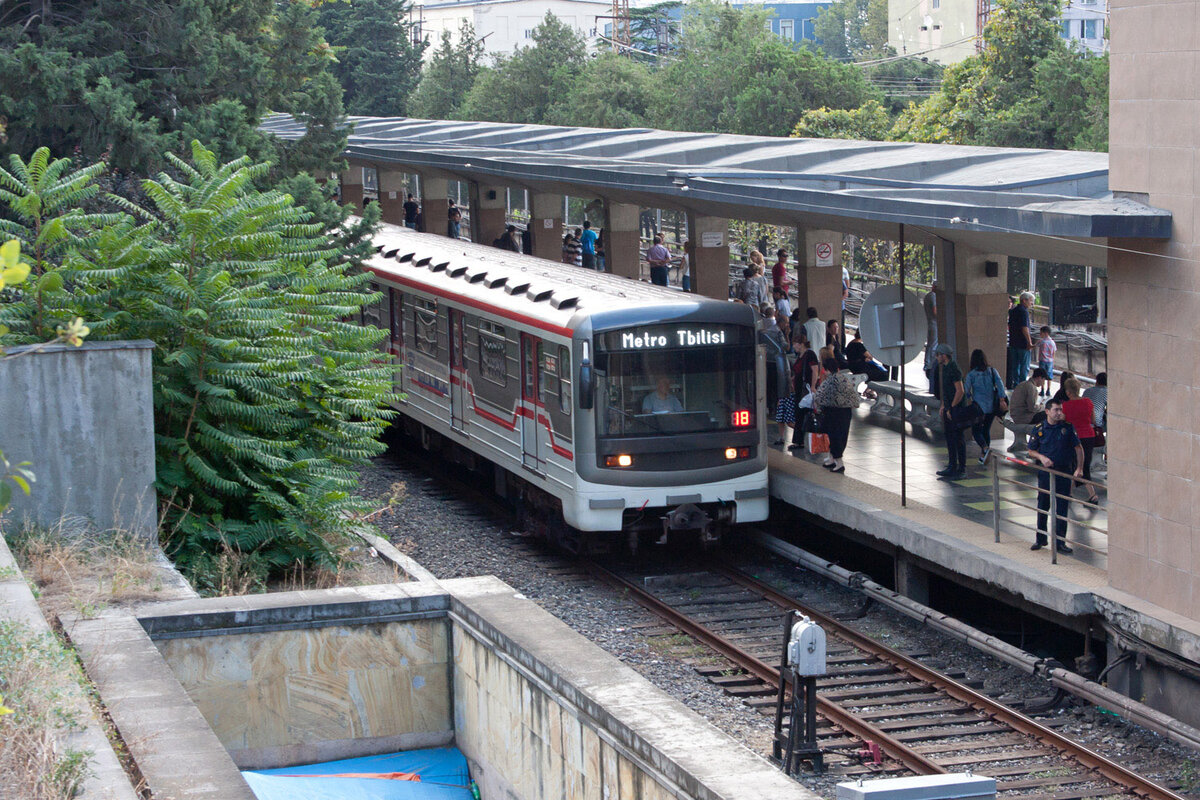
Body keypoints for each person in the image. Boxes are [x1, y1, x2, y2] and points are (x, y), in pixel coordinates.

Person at [1027, 398, 1083, 554]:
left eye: (1060, 410)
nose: (1059, 413)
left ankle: (1060, 542)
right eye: (1056, 410)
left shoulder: (1067, 428)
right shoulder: (1039, 429)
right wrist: (1042, 458)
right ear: (1047, 412)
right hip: (1046, 473)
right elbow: (1031, 450)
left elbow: (1078, 448)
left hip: (1063, 472)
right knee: (1043, 505)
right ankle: (1040, 538)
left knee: (1062, 508)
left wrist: (1079, 468)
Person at [814, 357, 859, 473]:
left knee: (834, 437)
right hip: (846, 412)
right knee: (842, 435)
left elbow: (819, 396)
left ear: (826, 369)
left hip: (833, 412)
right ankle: (832, 459)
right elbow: (854, 397)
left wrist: (817, 409)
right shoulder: (844, 378)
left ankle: (839, 463)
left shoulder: (830, 381)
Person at [964, 349, 1008, 464]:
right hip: (992, 407)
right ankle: (984, 455)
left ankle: (985, 449)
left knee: (976, 430)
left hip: (978, 407)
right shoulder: (992, 371)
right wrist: (1002, 399)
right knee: (986, 429)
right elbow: (1000, 386)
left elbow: (966, 390)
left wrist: (970, 397)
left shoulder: (971, 374)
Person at [1062, 377, 1100, 505]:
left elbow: (1064, 423)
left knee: (1077, 465)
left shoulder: (1066, 406)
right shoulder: (1088, 402)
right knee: (1082, 465)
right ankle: (1069, 492)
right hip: (1089, 436)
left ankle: (1092, 495)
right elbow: (1093, 421)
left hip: (1074, 437)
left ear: (1068, 392)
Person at [934, 344, 968, 479]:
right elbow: (947, 390)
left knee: (958, 438)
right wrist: (944, 405)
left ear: (943, 355)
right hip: (948, 408)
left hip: (956, 409)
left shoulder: (954, 369)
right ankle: (952, 465)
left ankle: (961, 469)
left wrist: (952, 407)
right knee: (949, 437)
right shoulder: (945, 368)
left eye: (937, 355)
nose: (936, 358)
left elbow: (960, 391)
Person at [1007, 291, 1035, 388]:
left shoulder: (1013, 311)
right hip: (1023, 344)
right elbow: (1024, 328)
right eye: (1031, 301)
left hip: (1013, 342)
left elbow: (1009, 326)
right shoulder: (1024, 312)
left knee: (1015, 366)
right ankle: (1022, 386)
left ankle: (1016, 385)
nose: (1032, 303)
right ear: (1024, 300)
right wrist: (1029, 342)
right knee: (1024, 366)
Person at [1036, 326, 1057, 397]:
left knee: (1042, 376)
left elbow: (1035, 345)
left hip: (1042, 360)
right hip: (1050, 361)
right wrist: (1053, 360)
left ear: (1045, 333)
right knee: (1049, 376)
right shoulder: (1053, 342)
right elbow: (1054, 352)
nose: (1040, 334)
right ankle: (1048, 390)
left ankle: (1042, 390)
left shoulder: (1042, 342)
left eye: (1041, 333)